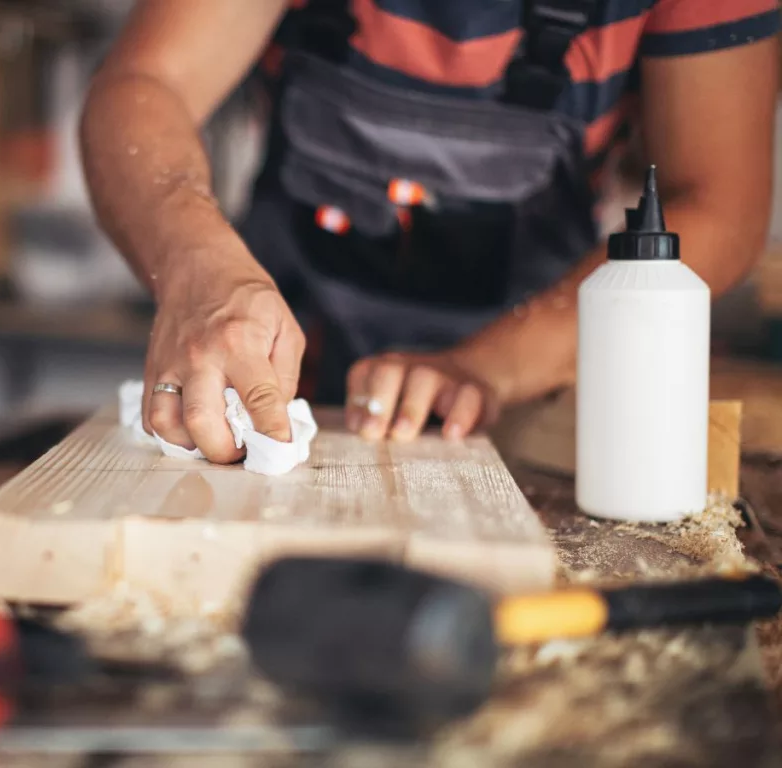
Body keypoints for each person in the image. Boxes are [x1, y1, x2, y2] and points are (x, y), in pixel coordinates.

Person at [80, 0, 779, 464]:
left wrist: (488, 369)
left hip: (529, 419)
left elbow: (718, 207)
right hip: (279, 387)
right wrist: (199, 266)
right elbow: (143, 84)